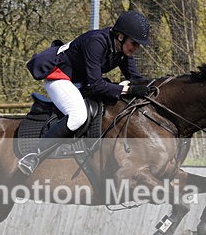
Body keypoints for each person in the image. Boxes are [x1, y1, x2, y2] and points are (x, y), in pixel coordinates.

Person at [18, 10, 154, 175]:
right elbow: (95, 85)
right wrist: (127, 89)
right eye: (135, 43)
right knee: (78, 115)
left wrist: (156, 86)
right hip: (59, 76)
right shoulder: (96, 42)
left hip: (79, 80)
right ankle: (33, 155)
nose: (136, 48)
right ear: (120, 36)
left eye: (138, 45)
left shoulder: (122, 51)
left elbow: (135, 78)